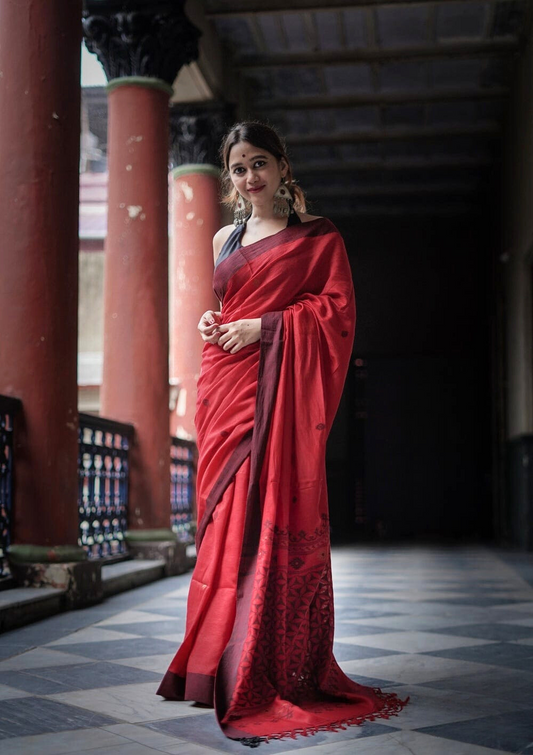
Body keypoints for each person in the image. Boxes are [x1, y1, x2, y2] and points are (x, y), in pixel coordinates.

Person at [157, 121, 409, 745]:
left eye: (259, 163)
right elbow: (227, 302)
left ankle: (260, 666)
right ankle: (216, 662)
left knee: (262, 516)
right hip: (226, 389)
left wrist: (265, 329)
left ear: (282, 165)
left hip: (276, 391)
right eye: (239, 168)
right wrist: (217, 320)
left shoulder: (317, 239)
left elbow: (336, 313)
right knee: (223, 525)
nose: (250, 177)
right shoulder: (224, 236)